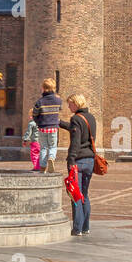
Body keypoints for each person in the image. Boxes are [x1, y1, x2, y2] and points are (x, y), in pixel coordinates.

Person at [58, 94, 96, 236]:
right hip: (90, 160)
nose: (68, 107)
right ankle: (86, 227)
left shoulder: (75, 119)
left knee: (76, 195)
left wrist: (70, 161)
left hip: (78, 162)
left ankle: (77, 228)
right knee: (84, 195)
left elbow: (76, 141)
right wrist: (61, 123)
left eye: (70, 104)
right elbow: (81, 131)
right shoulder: (90, 118)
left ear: (76, 104)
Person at [31, 79, 63, 174]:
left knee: (43, 147)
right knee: (53, 146)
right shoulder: (58, 100)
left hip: (42, 128)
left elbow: (34, 114)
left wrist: (38, 122)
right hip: (53, 127)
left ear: (43, 88)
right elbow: (59, 109)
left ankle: (43, 167)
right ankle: (51, 158)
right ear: (54, 88)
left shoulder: (39, 102)